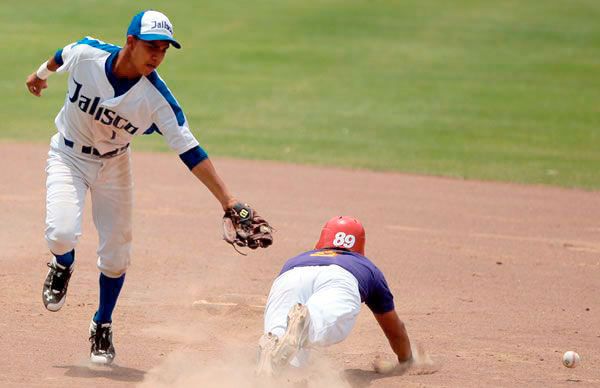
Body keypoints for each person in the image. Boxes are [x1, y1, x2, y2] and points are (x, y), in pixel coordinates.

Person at [26, 10, 270, 365]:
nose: (157, 56)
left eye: (164, 50)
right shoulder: (88, 55)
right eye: (151, 47)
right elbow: (62, 55)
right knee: (62, 234)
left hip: (114, 166)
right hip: (68, 156)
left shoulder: (156, 98)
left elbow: (190, 150)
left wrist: (227, 199)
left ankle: (102, 323)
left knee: (116, 256)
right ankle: (62, 264)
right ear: (130, 42)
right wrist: (38, 75)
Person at [257, 216, 423, 376]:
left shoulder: (296, 259)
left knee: (280, 341)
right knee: (318, 321)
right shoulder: (366, 266)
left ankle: (274, 353)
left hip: (290, 277)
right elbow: (394, 329)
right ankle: (309, 325)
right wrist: (406, 359)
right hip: (341, 277)